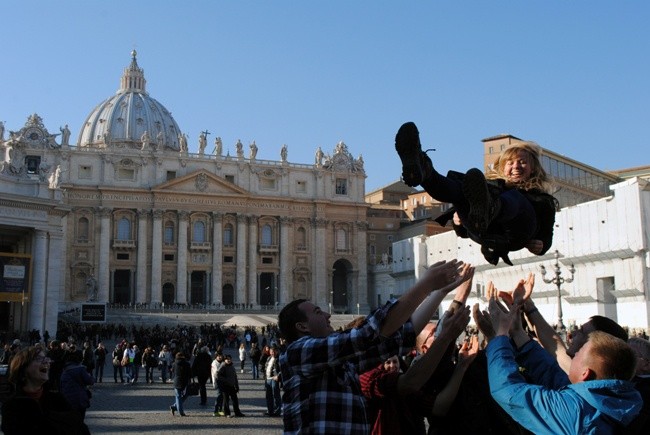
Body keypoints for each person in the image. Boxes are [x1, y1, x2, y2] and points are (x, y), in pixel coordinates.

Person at [278, 259, 470, 434]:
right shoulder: (296, 353)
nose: (328, 315)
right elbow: (369, 334)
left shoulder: (340, 365)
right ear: (302, 326)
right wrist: (425, 285)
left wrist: (439, 292)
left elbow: (400, 337)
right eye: (318, 312)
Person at [473, 288, 642, 434]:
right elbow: (551, 373)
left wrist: (499, 335)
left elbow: (508, 391)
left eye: (578, 354)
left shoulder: (576, 414)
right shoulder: (610, 400)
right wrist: (517, 332)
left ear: (585, 373)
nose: (573, 354)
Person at [395, 122, 558, 266]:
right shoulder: (488, 187)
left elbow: (546, 236)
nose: (516, 166)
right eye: (511, 162)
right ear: (502, 167)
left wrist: (540, 245)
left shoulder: (541, 199)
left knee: (514, 198)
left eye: (522, 162)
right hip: (484, 231)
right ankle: (425, 173)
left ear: (533, 169)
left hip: (515, 234)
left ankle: (491, 207)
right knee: (462, 189)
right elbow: (464, 234)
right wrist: (458, 222)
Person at [1, 346, 90, 435]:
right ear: (23, 368)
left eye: (46, 358)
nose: (47, 362)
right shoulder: (11, 405)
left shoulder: (57, 399)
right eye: (39, 358)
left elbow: (80, 427)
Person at [60, 346, 94, 422]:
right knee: (79, 420)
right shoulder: (80, 369)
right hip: (79, 399)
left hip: (66, 399)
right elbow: (90, 381)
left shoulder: (65, 369)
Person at [170, 352, 192, 416]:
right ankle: (180, 412)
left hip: (177, 381)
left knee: (178, 396)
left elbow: (173, 371)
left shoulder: (174, 364)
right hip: (185, 382)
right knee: (185, 395)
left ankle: (175, 407)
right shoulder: (187, 364)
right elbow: (190, 374)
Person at [264, 345, 282, 417]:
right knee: (268, 396)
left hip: (274, 379)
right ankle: (270, 411)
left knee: (276, 395)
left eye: (274, 351)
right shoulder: (269, 358)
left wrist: (278, 375)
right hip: (268, 379)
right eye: (271, 351)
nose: (272, 353)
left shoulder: (279, 359)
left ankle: (277, 411)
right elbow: (266, 367)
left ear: (276, 351)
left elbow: (282, 368)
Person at [211, 352, 226, 416]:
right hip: (217, 381)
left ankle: (220, 410)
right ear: (216, 357)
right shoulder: (214, 363)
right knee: (219, 395)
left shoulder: (221, 362)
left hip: (222, 382)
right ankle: (215, 410)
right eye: (218, 356)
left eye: (221, 356)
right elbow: (217, 373)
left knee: (221, 396)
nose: (220, 357)